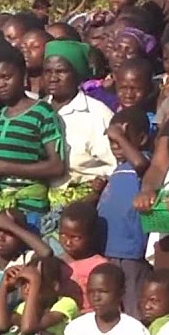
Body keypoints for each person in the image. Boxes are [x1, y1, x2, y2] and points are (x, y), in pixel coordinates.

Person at [0, 45, 66, 230]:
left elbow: (56, 165)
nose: (1, 84)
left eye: (6, 77)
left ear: (22, 74)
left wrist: (5, 168)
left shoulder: (42, 111)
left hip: (30, 210)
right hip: (1, 208)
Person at [43, 41, 115, 217]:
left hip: (87, 207)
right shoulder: (38, 109)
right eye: (48, 71)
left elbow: (114, 165)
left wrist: (96, 191)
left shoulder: (97, 113)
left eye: (61, 71)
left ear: (76, 74)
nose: (53, 78)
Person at [98, 108, 152, 313]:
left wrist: (118, 135)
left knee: (133, 304)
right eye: (112, 141)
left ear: (142, 138)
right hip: (110, 248)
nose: (116, 145)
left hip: (131, 251)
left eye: (122, 139)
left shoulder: (144, 163)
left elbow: (140, 163)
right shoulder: (120, 169)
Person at [56, 202, 106, 311]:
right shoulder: (57, 262)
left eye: (75, 237)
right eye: (63, 235)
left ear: (91, 236)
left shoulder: (99, 267)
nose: (68, 242)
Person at [0, 209, 52, 287]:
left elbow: (46, 253)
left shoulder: (26, 260)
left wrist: (10, 226)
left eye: (9, 232)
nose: (0, 238)